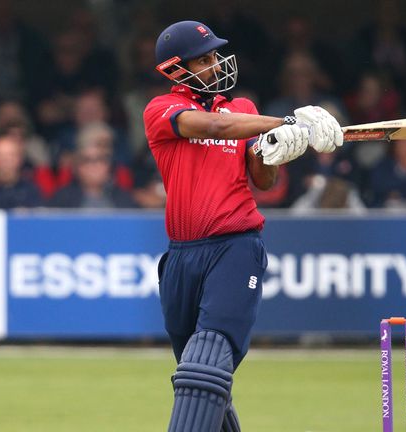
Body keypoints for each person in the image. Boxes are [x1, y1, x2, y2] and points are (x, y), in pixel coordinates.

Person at [144, 20, 341, 431]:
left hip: (235, 247)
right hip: (182, 256)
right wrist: (287, 123)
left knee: (206, 362)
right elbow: (215, 127)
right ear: (175, 68)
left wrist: (272, 151)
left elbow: (263, 180)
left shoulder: (244, 109)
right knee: (201, 382)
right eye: (204, 59)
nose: (216, 65)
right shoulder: (161, 109)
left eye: (216, 55)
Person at [48, 123, 138, 209]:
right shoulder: (62, 200)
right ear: (76, 167)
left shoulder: (125, 199)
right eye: (87, 160)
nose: (94, 166)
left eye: (100, 159)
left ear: (109, 166)